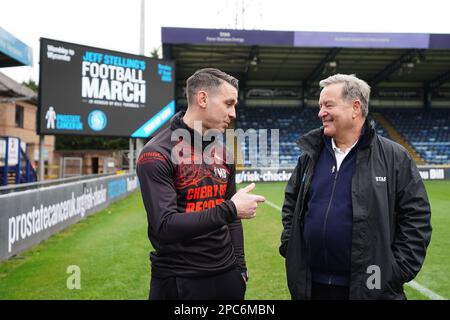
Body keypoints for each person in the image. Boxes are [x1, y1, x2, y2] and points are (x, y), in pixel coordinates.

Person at [280, 74, 432, 300]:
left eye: (328, 105)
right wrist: (289, 245)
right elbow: (292, 204)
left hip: (370, 287)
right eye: (320, 105)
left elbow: (416, 218)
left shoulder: (395, 157)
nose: (320, 112)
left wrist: (395, 270)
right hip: (311, 286)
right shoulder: (310, 155)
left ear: (355, 107)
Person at [136, 68, 265, 300]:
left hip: (228, 277)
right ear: (203, 98)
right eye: (228, 103)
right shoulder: (157, 154)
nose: (233, 113)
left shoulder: (224, 153)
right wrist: (230, 209)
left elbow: (232, 220)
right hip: (180, 280)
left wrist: (240, 268)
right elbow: (164, 227)